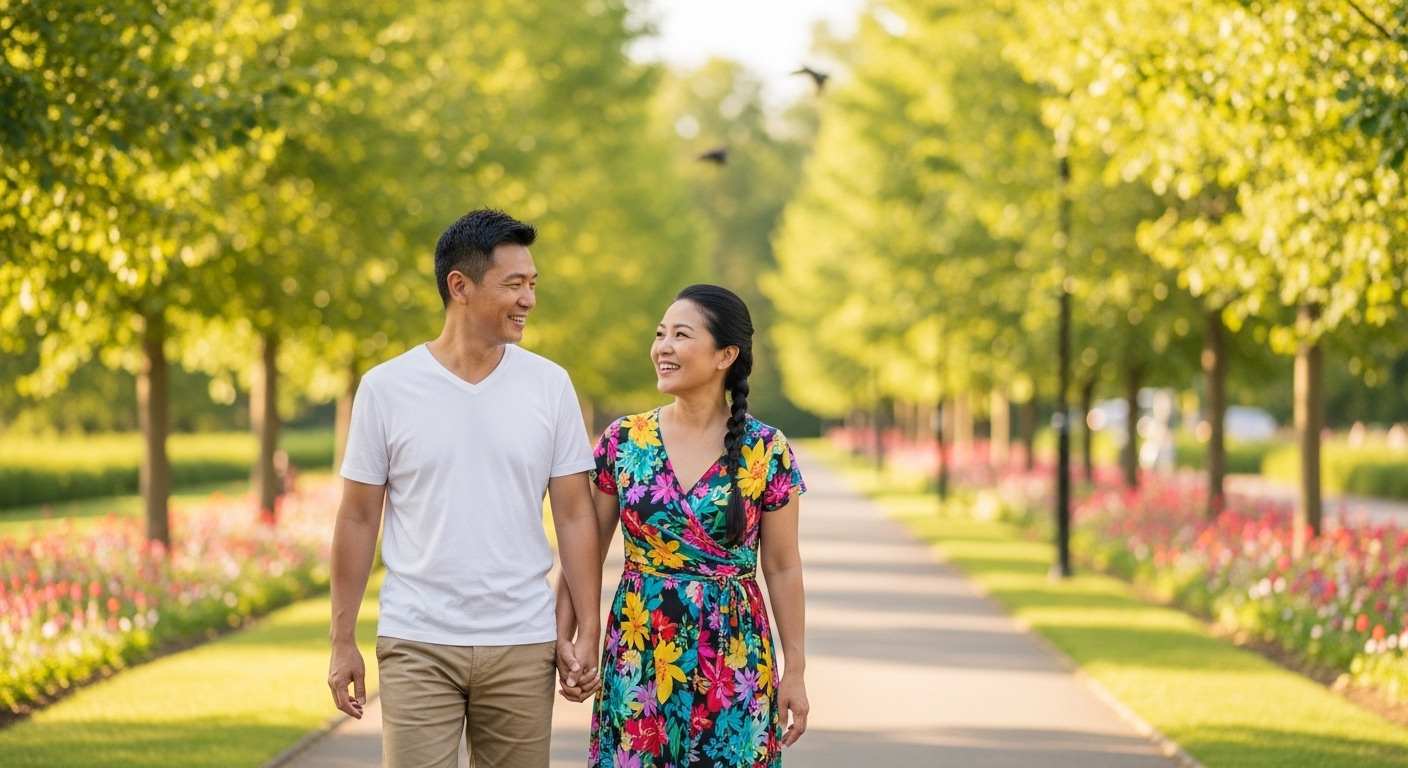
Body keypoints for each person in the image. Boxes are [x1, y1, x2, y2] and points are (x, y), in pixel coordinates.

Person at [326, 209, 604, 768]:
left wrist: (587, 631)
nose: (529, 299)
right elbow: (357, 518)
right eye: (514, 284)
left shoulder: (549, 385)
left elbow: (575, 516)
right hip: (417, 639)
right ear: (461, 287)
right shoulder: (385, 388)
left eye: (532, 284)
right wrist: (342, 638)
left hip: (523, 641)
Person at [556, 284, 810, 767]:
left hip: (732, 655)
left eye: (680, 335)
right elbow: (582, 549)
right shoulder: (623, 440)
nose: (662, 347)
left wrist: (793, 670)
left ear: (725, 355)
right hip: (639, 648)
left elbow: (782, 566)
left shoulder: (766, 449)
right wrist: (569, 636)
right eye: (660, 334)